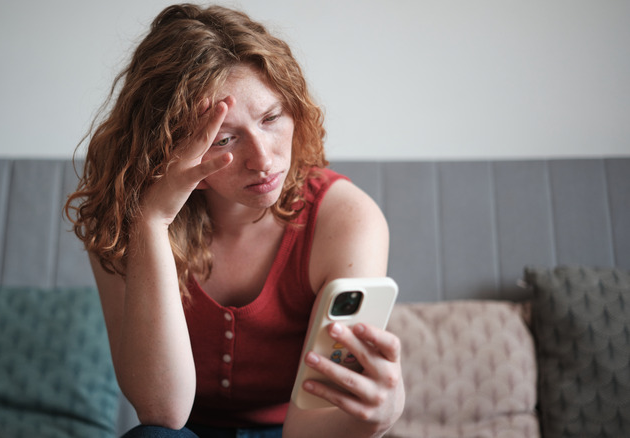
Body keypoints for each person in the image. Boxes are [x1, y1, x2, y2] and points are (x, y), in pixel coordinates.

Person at [65, 4, 404, 437]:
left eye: (271, 118)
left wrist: (379, 417)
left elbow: (307, 429)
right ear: (165, 145)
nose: (263, 160)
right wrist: (151, 222)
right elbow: (162, 411)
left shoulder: (346, 218)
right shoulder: (123, 220)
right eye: (224, 138)